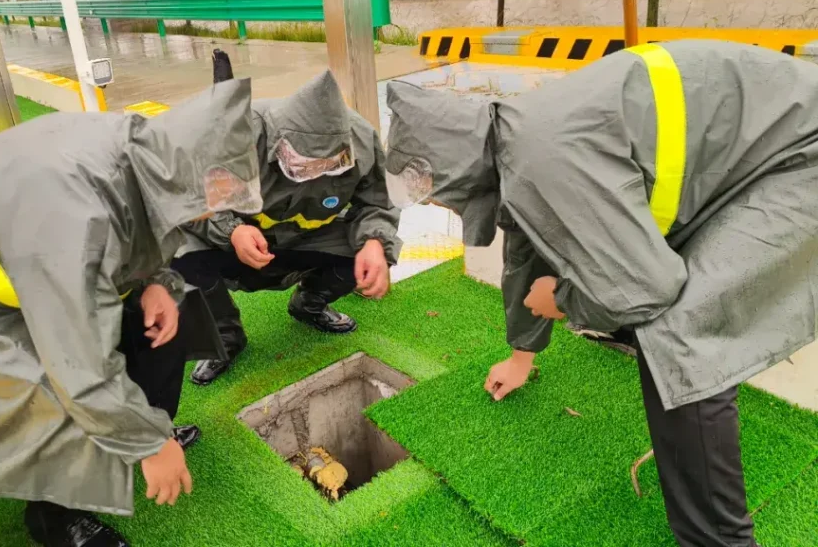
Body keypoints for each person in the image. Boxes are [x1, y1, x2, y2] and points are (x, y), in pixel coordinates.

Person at [383, 40, 818, 547]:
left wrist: (565, 302)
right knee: (644, 300)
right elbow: (531, 245)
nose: (437, 203)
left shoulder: (541, 161)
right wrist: (522, 354)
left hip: (798, 159)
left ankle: (718, 540)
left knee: (680, 336)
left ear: (451, 170)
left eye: (432, 193)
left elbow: (648, 291)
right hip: (751, 152)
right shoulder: (516, 136)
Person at [0, 80, 263, 547]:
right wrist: (148, 445)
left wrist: (156, 281)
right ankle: (57, 522)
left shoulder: (151, 151)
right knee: (53, 387)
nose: (212, 212)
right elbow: (78, 365)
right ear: (185, 175)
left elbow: (140, 222)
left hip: (31, 266)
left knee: (158, 323)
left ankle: (145, 428)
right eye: (212, 198)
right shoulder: (74, 221)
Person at [171, 65, 402, 386]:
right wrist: (232, 231)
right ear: (278, 140)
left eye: (327, 164)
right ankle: (226, 334)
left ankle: (309, 302)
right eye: (302, 163)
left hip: (308, 239)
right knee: (180, 251)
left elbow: (379, 199)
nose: (314, 171)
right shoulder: (235, 134)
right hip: (242, 244)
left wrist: (375, 242)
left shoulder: (362, 141)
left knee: (373, 246)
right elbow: (189, 197)